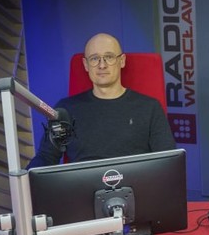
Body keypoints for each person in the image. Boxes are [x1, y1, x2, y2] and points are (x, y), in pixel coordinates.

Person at [27, 33, 176, 168]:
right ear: (86, 64)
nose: (102, 65)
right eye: (94, 58)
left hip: (138, 187)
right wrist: (23, 180)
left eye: (109, 57)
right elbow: (46, 157)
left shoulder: (150, 108)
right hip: (82, 188)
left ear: (122, 61)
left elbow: (168, 162)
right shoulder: (65, 110)